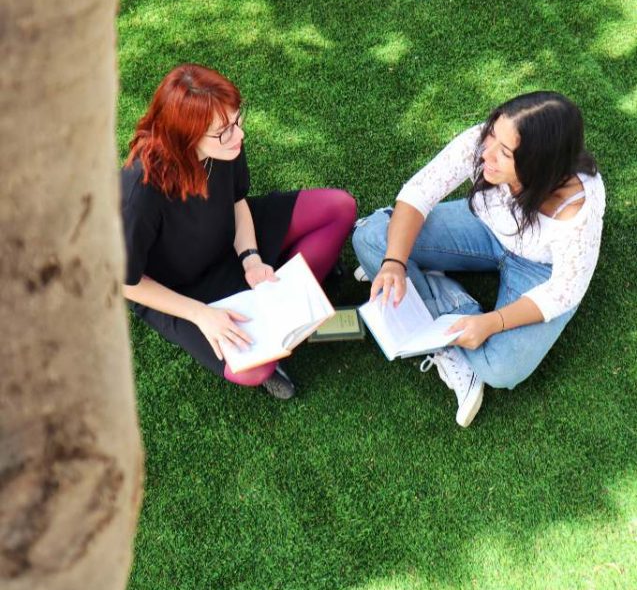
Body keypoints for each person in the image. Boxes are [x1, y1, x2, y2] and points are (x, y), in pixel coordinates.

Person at [353, 91, 605, 427]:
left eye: (505, 152)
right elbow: (420, 190)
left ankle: (444, 314)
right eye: (491, 135)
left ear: (538, 164)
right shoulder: (483, 144)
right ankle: (431, 291)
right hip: (484, 227)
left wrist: (490, 323)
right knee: (371, 237)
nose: (487, 153)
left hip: (539, 271)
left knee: (500, 368)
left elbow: (565, 290)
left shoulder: (577, 208)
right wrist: (395, 263)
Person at [121, 64, 356, 399]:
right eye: (225, 130)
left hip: (230, 238)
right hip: (183, 288)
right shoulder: (138, 190)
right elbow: (125, 282)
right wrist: (200, 314)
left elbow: (236, 200)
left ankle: (286, 295)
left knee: (339, 207)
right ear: (186, 136)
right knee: (254, 370)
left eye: (236, 121)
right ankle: (283, 303)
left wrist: (251, 259)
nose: (239, 134)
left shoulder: (224, 145)